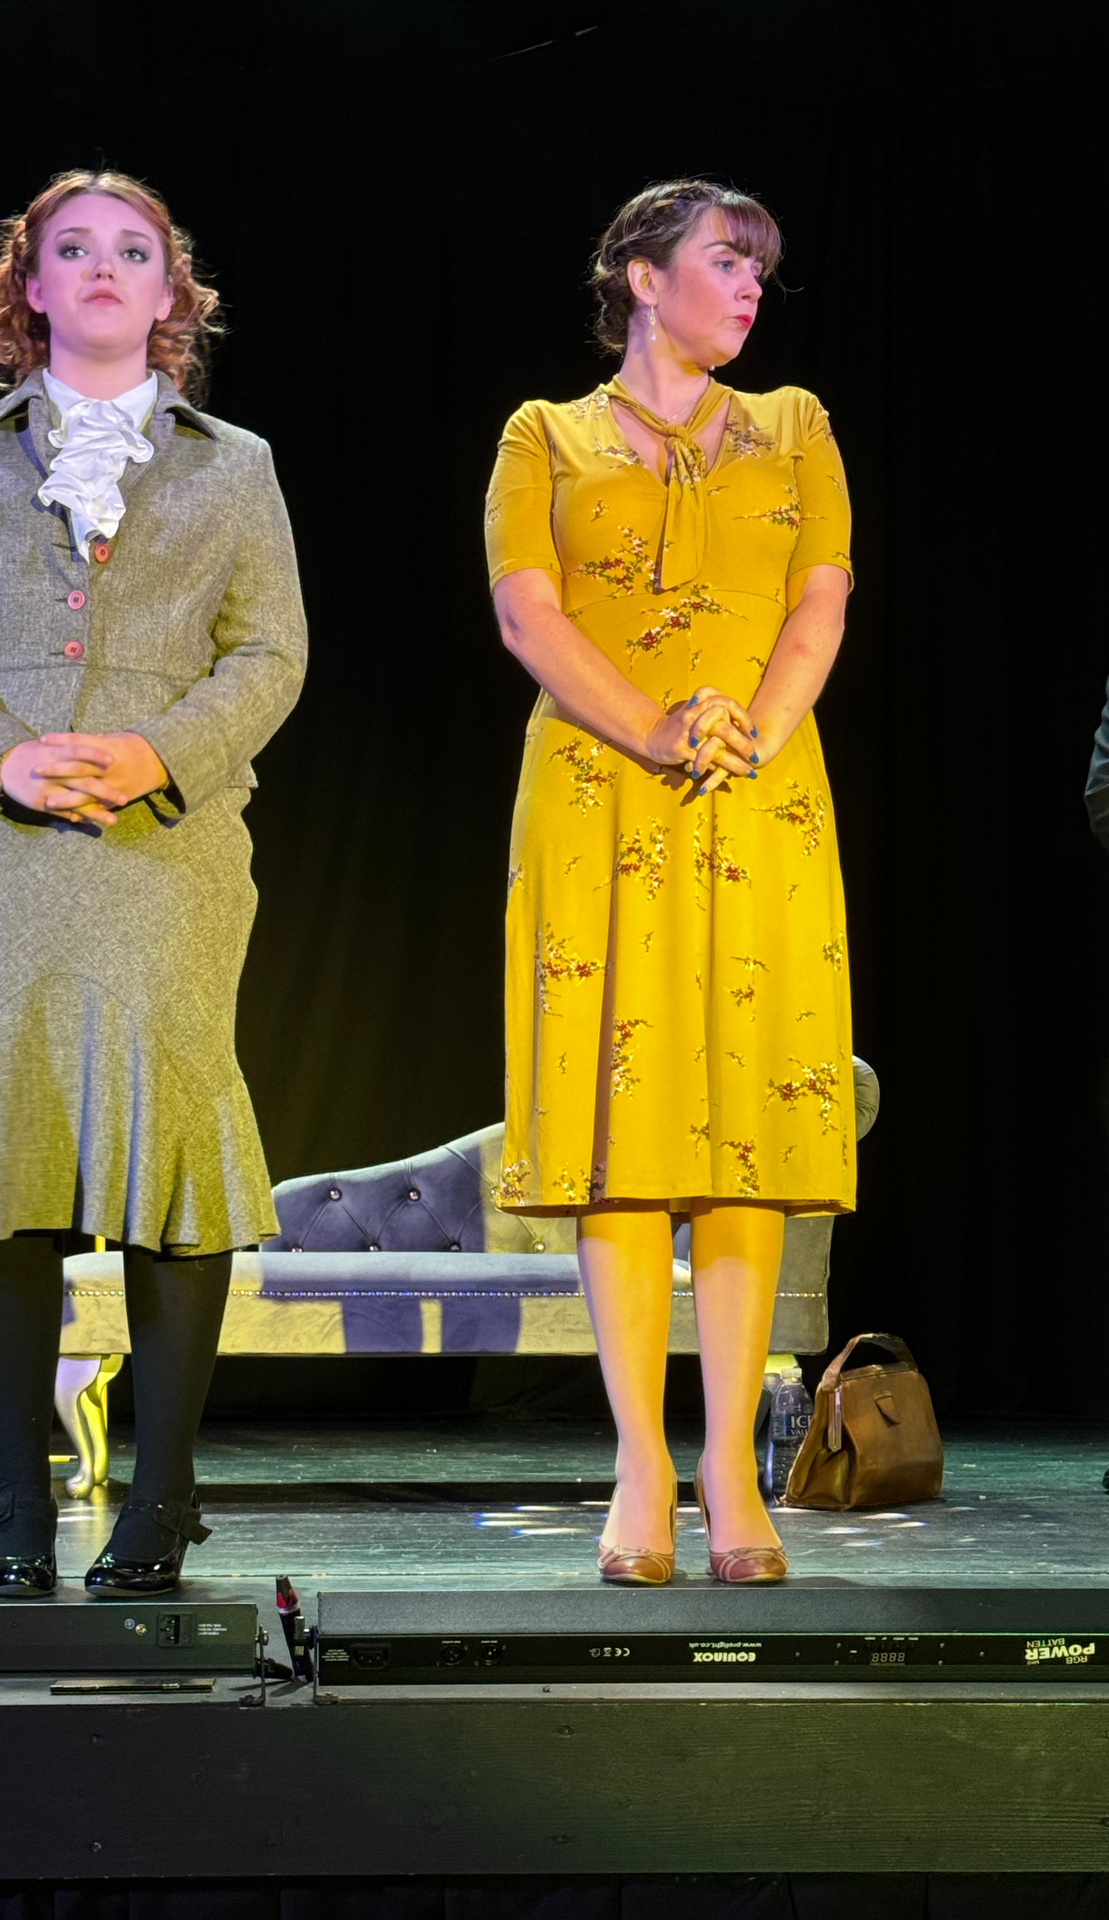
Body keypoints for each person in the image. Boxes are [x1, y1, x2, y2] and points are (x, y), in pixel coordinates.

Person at [0, 169, 307, 1597]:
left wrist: (148, 752)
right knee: (10, 1156)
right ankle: (16, 1504)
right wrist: (1, 758)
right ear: (30, 286)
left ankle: (162, 1498)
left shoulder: (232, 463)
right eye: (75, 249)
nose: (106, 268)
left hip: (167, 849)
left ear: (172, 294)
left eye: (136, 251)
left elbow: (270, 653)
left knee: (170, 1157)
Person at [485, 180, 854, 1585]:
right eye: (725, 261)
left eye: (763, 268)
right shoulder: (547, 434)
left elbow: (822, 594)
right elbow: (527, 609)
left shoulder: (798, 423)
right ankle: (640, 1459)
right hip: (599, 788)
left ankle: (726, 1465)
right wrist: (651, 725)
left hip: (760, 789)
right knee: (619, 1128)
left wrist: (752, 722)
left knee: (743, 1126)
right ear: (642, 277)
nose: (752, 288)